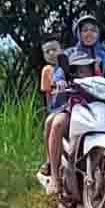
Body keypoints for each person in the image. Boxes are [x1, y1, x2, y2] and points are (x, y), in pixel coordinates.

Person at [45, 15, 105, 208]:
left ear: (98, 33)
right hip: (73, 105)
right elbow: (59, 75)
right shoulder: (69, 55)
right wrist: (60, 83)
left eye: (93, 29)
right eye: (85, 30)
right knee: (57, 124)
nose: (89, 33)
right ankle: (55, 179)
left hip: (98, 108)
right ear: (79, 33)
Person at [38, 33, 63, 177]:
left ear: (61, 49)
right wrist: (50, 111)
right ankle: (49, 159)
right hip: (56, 107)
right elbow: (48, 94)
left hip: (72, 104)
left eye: (54, 49)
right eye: (47, 51)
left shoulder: (68, 65)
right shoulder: (47, 71)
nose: (51, 53)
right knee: (49, 123)